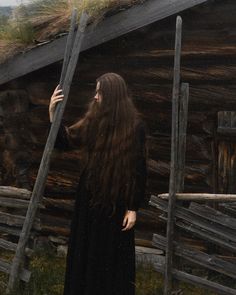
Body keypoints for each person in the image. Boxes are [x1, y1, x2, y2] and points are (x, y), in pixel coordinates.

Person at [48, 72, 147, 295]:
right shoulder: (93, 121)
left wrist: (133, 207)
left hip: (117, 201)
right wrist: (53, 114)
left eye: (100, 91)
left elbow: (138, 170)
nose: (95, 96)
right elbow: (66, 141)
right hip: (89, 197)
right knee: (86, 252)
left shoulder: (135, 127)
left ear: (112, 95)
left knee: (111, 257)